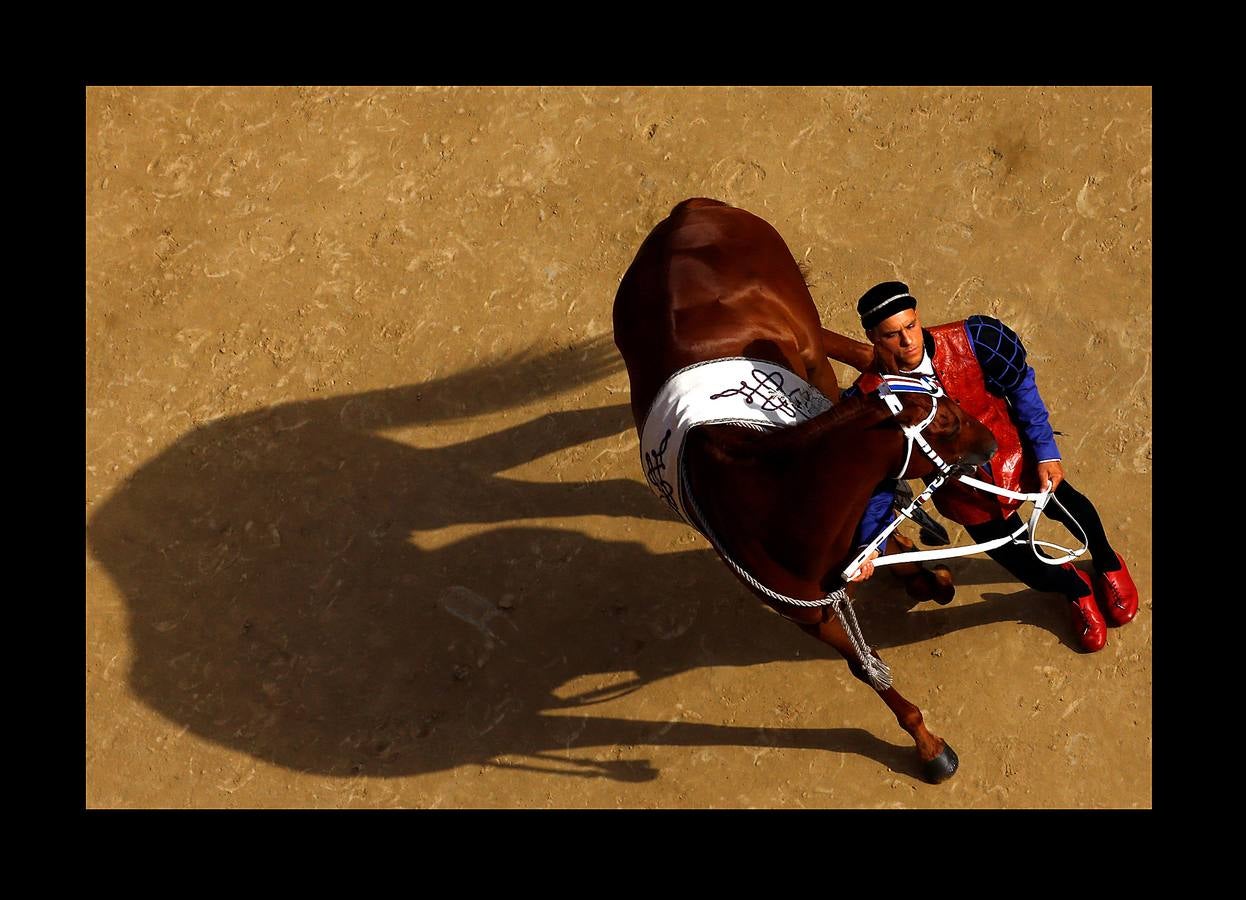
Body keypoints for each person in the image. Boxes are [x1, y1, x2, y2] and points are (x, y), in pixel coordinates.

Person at [844, 281, 1139, 652]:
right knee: (1028, 567)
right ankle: (1075, 587)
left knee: (1074, 512)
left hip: (1016, 456)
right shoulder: (870, 400)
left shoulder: (974, 339)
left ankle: (1109, 561)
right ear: (873, 337)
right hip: (965, 493)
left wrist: (1046, 452)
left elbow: (1022, 390)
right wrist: (873, 544)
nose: (907, 341)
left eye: (911, 325)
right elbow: (880, 479)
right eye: (892, 334)